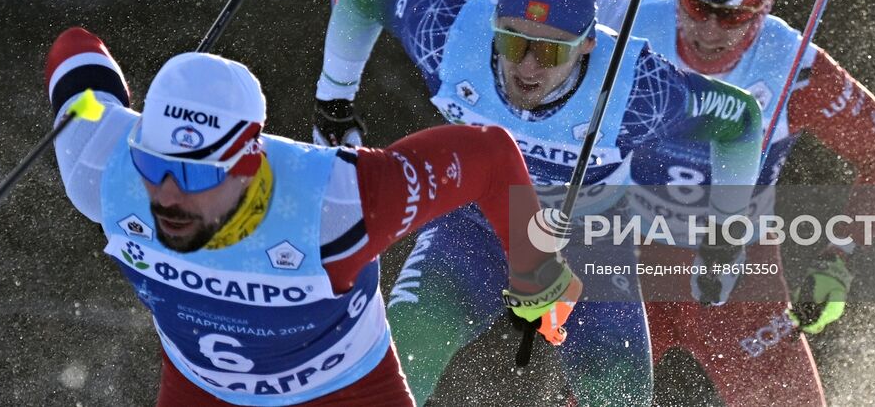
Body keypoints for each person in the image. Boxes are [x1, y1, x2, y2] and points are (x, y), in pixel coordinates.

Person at [312, 0, 764, 407]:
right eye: (511, 40)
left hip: (585, 239)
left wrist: (724, 234)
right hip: (472, 227)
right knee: (400, 357)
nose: (526, 67)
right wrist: (334, 101)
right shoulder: (449, 31)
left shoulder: (638, 90)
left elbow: (742, 120)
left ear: (588, 43)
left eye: (550, 52)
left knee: (620, 397)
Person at [46, 26, 581, 407]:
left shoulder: (342, 201)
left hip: (346, 389)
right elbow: (75, 48)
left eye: (194, 177)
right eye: (152, 165)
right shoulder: (104, 167)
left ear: (247, 164)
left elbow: (488, 155)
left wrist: (534, 267)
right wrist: (99, 109)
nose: (165, 197)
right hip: (201, 389)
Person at [597, 0, 875, 407]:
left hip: (737, 272)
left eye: (732, 17)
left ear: (763, 7)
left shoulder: (795, 66)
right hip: (629, 257)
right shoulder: (619, 22)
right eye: (697, 7)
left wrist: (838, 258)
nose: (708, 30)